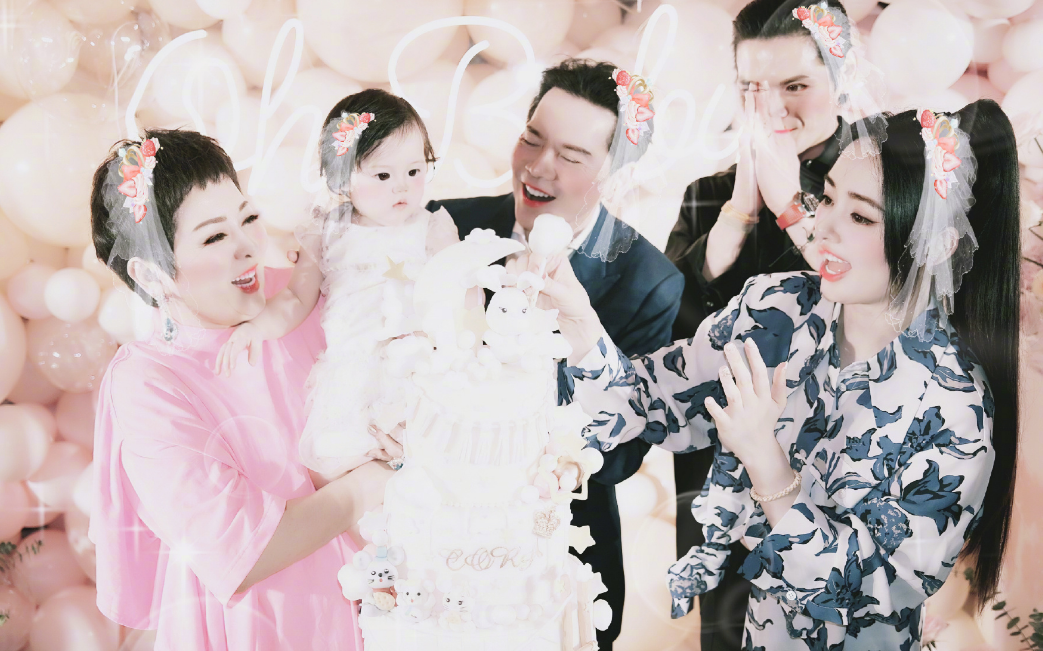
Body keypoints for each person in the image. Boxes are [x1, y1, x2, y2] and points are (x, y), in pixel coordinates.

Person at [538, 99, 1019, 648]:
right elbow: (643, 402)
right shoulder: (776, 308)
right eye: (828, 198)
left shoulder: (956, 406)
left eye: (861, 217)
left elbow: (875, 593)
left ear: (934, 245)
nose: (823, 227)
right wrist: (581, 324)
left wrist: (765, 461)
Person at [89, 129, 403, 650]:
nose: (249, 248)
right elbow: (242, 550)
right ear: (152, 273)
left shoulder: (306, 296)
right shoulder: (148, 382)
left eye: (248, 218)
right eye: (214, 238)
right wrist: (368, 484)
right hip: (271, 625)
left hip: (390, 600)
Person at [426, 58, 684, 648]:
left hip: (561, 561)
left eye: (571, 156)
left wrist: (575, 334)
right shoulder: (448, 224)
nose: (539, 166)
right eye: (532, 138)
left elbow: (619, 459)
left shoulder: (648, 280)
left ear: (615, 173)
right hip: (438, 551)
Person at [662, 1, 882, 645]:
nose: (771, 109)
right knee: (726, 634)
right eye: (751, 89)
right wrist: (736, 217)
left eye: (794, 85)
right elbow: (671, 340)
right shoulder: (710, 194)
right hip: (718, 475)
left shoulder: (888, 179)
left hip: (841, 469)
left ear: (839, 73)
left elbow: (887, 306)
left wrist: (791, 205)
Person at [215, 89, 459, 479]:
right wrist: (256, 328)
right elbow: (296, 296)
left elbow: (458, 301)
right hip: (352, 372)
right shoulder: (327, 231)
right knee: (347, 462)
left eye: (414, 172)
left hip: (416, 367)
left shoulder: (432, 229)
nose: (402, 186)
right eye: (383, 175)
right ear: (342, 178)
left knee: (425, 462)